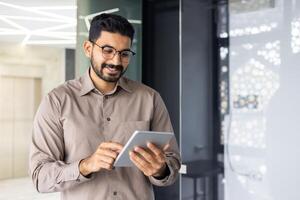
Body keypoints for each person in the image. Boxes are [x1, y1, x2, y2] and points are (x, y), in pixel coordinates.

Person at [29, 13, 181, 200]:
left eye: (124, 54)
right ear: (88, 48)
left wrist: (161, 170)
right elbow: (40, 177)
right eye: (107, 50)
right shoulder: (57, 101)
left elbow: (173, 163)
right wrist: (86, 165)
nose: (116, 61)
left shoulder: (150, 98)